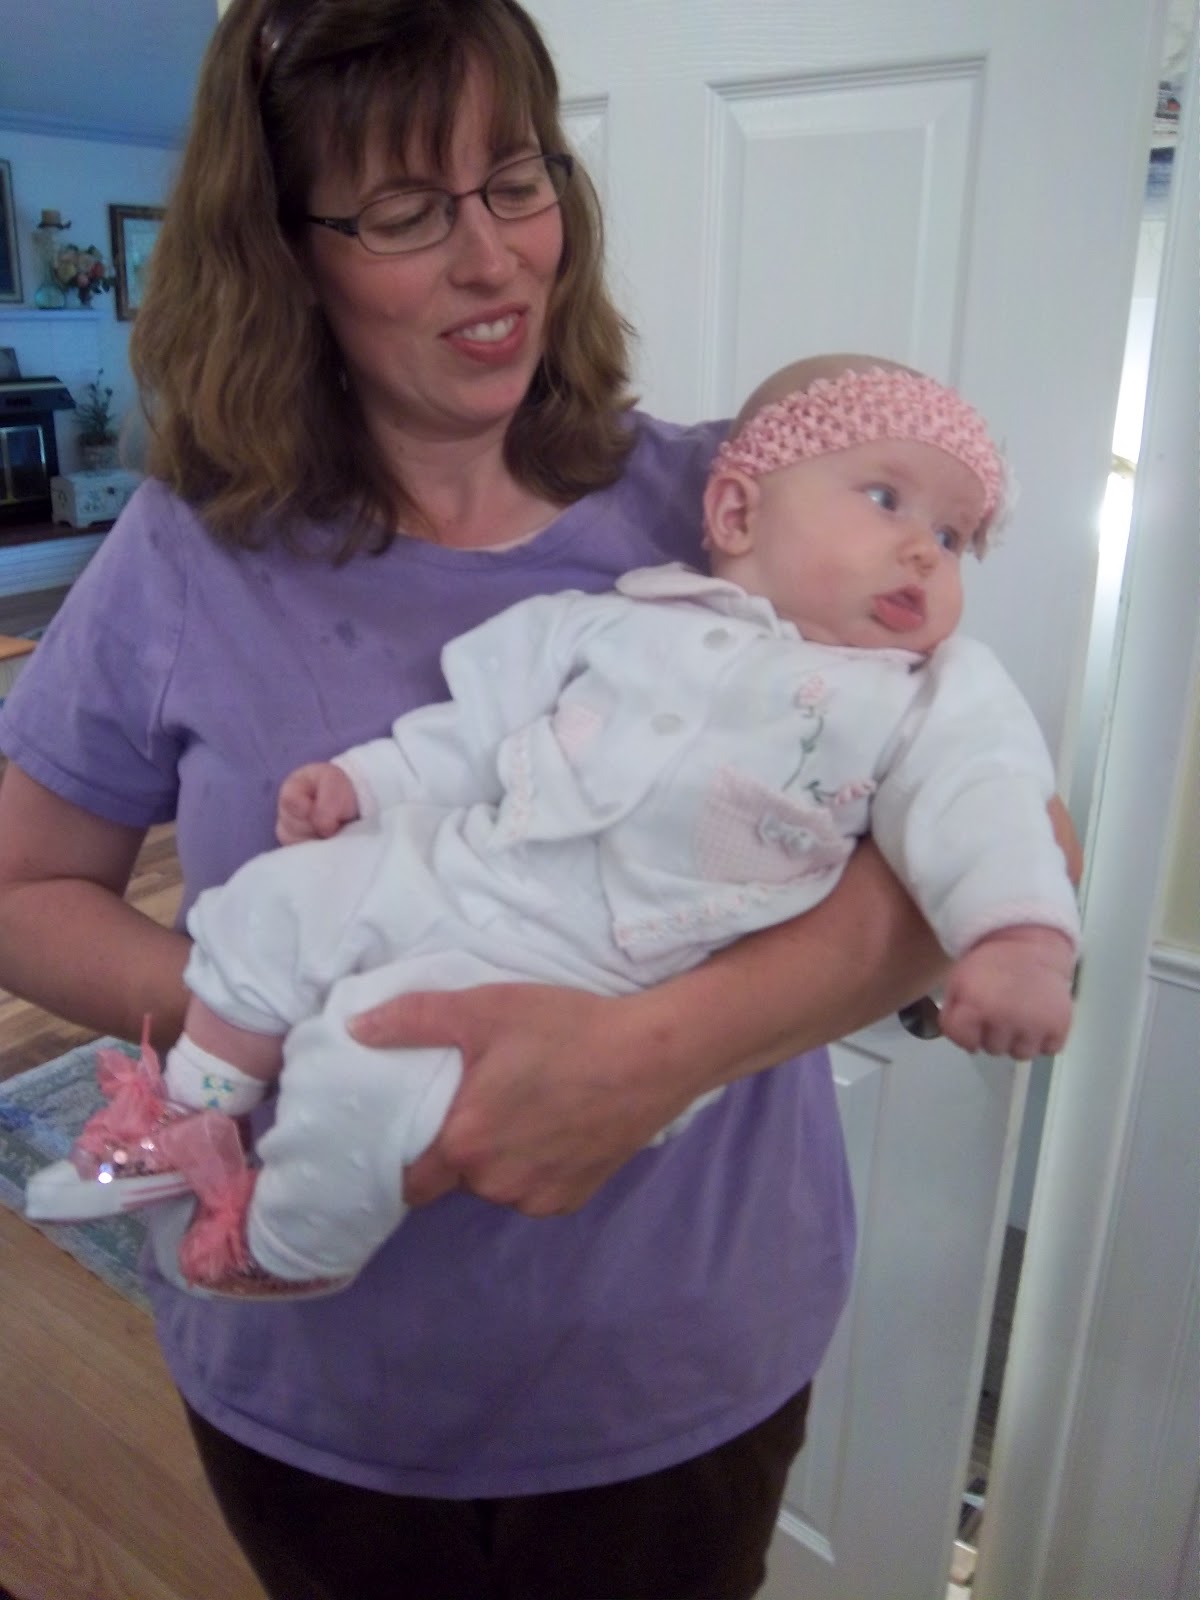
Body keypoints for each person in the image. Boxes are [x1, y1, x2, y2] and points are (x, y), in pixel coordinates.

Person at [0, 2, 1079, 1596]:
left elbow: (1010, 837)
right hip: (323, 1401)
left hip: (678, 1378)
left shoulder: (731, 510)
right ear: (284, 250)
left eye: (517, 180)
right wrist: (303, 1010)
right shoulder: (187, 550)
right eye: (404, 210)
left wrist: (650, 1058)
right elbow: (23, 890)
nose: (495, 256)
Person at [25, 354, 1080, 1307]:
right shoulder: (619, 616)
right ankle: (187, 1114)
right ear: (737, 511)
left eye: (954, 538)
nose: (922, 550)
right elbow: (476, 730)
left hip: (611, 970)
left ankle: (286, 1242)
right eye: (887, 499)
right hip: (479, 870)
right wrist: (367, 784)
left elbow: (986, 802)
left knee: (370, 1061)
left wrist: (1021, 938)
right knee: (275, 902)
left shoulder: (923, 695)